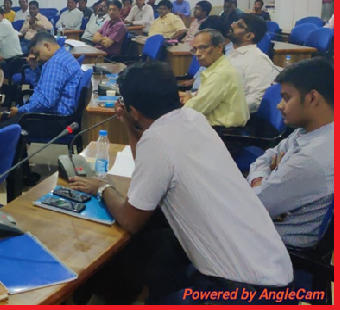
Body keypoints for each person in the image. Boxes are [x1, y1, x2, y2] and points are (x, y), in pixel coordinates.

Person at [69, 61, 293, 304]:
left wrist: (102, 188)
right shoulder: (192, 118)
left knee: (135, 245)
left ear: (134, 110)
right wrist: (129, 126)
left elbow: (131, 220)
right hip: (276, 272)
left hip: (243, 290)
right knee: (149, 247)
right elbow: (148, 161)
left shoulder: (158, 140)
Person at [247, 58, 334, 249]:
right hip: (268, 226)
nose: (279, 105)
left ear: (312, 98)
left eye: (286, 98)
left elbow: (253, 205)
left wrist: (260, 179)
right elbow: (267, 156)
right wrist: (262, 180)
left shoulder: (311, 159)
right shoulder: (311, 129)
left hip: (273, 248)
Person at [180, 29, 249, 128]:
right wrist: (190, 96)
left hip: (222, 132)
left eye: (202, 48)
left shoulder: (220, 74)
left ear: (219, 48)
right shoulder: (218, 67)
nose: (198, 54)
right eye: (195, 49)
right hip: (211, 127)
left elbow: (192, 110)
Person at [8, 31, 81, 117]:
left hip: (51, 118)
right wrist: (34, 67)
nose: (37, 59)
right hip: (49, 114)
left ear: (47, 46)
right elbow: (43, 87)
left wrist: (20, 111)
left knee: (3, 122)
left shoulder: (56, 63)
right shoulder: (63, 56)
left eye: (37, 54)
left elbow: (45, 102)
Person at [228, 14, 281, 112]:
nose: (232, 25)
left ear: (249, 35)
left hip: (236, 115)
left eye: (239, 25)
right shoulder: (233, 54)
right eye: (235, 23)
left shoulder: (257, 60)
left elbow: (255, 100)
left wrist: (224, 109)